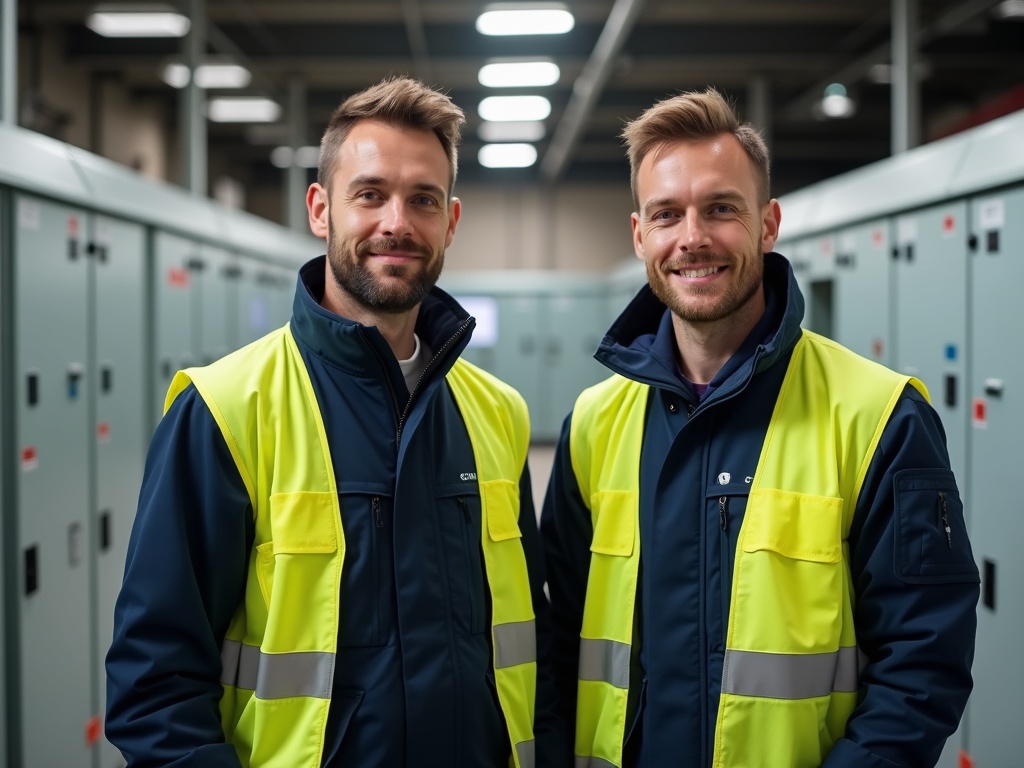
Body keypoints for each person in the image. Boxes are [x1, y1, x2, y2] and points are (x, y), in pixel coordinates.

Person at [106, 76, 568, 768]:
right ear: (321, 209)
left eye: (423, 200)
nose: (397, 223)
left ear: (451, 220)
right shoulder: (226, 410)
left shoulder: (496, 414)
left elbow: (534, 651)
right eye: (370, 194)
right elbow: (154, 686)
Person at [540, 87, 979, 768]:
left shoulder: (877, 415)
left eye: (721, 209)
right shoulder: (594, 425)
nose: (693, 238)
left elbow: (923, 663)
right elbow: (561, 639)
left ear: (768, 224)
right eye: (667, 214)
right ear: (640, 235)